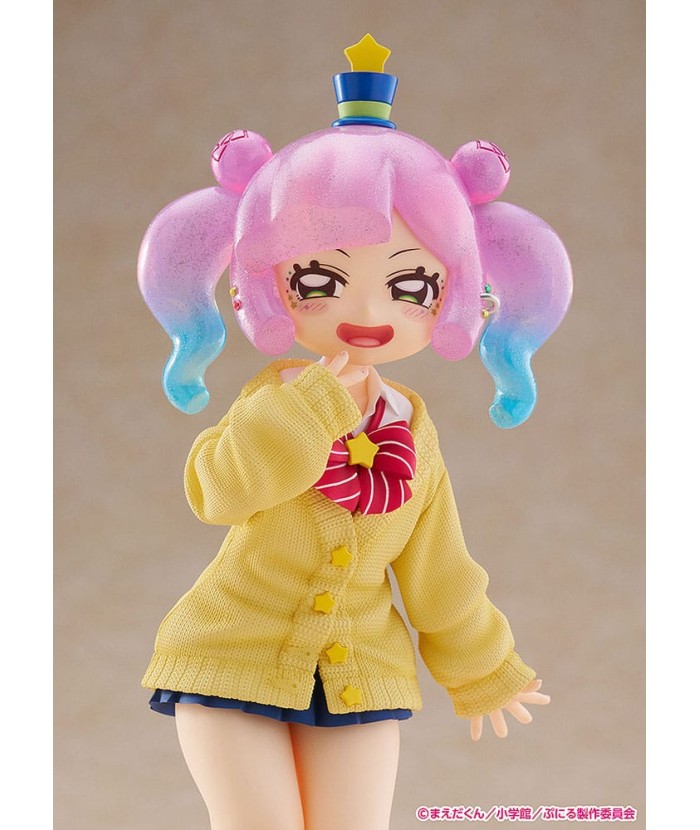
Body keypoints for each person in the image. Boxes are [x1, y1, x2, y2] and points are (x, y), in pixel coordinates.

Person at [138, 34, 572, 830]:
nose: (368, 313)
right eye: (319, 279)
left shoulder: (412, 428)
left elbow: (437, 566)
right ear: (264, 283)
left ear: (457, 296)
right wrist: (312, 408)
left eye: (411, 285)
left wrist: (483, 666)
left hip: (360, 676)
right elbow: (218, 490)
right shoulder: (276, 401)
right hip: (228, 658)